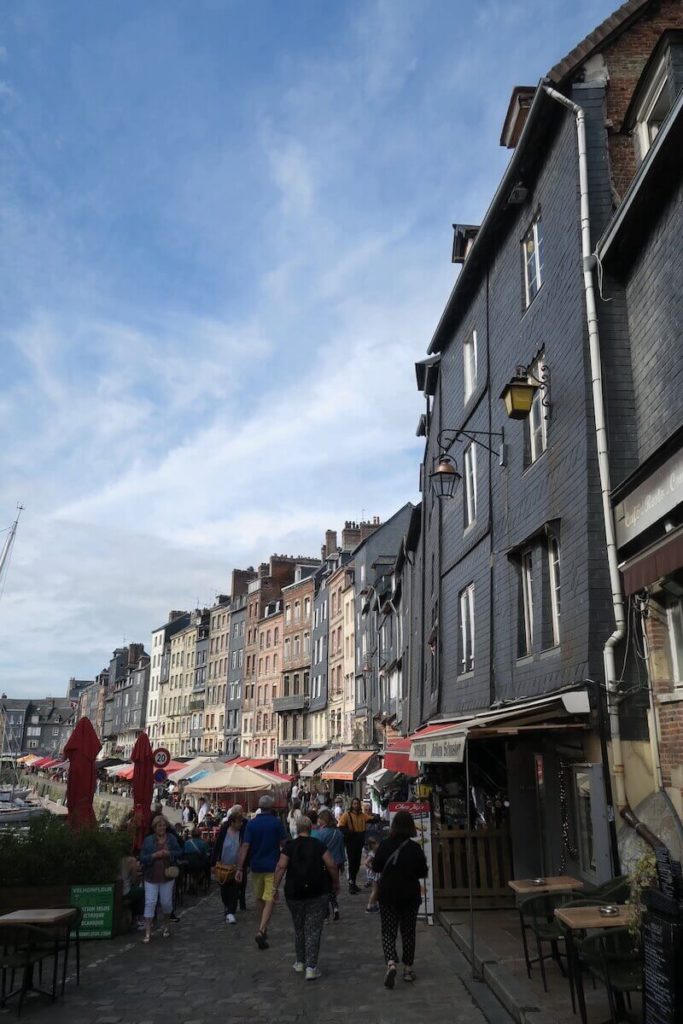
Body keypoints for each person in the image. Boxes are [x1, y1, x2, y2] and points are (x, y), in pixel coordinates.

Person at [273, 816, 339, 980]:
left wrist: (275, 887)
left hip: (294, 892)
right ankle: (311, 966)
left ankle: (300, 961)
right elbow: (331, 864)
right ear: (311, 828)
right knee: (313, 929)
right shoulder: (318, 845)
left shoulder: (290, 847)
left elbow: (281, 866)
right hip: (318, 891)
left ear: (296, 828)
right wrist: (336, 883)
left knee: (299, 927)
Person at [371, 810, 428, 988]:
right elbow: (422, 872)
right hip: (410, 895)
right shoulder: (415, 848)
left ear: (394, 826)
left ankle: (391, 963)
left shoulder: (385, 844)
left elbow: (377, 867)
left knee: (388, 930)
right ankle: (408, 969)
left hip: (388, 894)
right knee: (408, 931)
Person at [235, 794, 287, 949]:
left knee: (259, 897)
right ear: (271, 807)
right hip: (272, 865)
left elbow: (245, 846)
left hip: (256, 865)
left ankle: (263, 927)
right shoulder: (276, 823)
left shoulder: (251, 824)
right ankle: (261, 929)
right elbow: (284, 843)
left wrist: (240, 867)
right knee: (270, 897)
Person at [139, 815, 182, 944]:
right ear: (155, 827)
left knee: (166, 902)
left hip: (167, 876)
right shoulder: (148, 840)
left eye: (164, 825)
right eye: (159, 826)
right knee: (150, 902)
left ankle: (167, 925)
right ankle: (147, 932)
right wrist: (154, 855)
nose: (162, 828)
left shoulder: (171, 839)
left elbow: (180, 852)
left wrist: (170, 854)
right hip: (151, 876)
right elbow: (143, 858)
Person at [212, 806, 245, 923]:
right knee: (224, 890)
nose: (241, 824)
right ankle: (227, 907)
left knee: (235, 890)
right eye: (239, 822)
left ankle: (231, 912)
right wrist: (213, 863)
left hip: (236, 866)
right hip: (223, 865)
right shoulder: (224, 831)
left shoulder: (242, 833)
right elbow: (217, 847)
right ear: (232, 822)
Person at [337, 797, 376, 894]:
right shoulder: (347, 815)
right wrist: (348, 832)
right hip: (351, 841)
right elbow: (341, 826)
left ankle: (353, 883)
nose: (356, 805)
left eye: (357, 804)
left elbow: (371, 819)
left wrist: (378, 818)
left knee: (357, 864)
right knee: (352, 863)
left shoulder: (362, 815)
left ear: (359, 805)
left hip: (359, 841)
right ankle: (351, 884)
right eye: (354, 804)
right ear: (351, 805)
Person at [317, 809, 345, 921]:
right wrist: (342, 862)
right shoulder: (338, 832)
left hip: (324, 863)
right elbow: (341, 849)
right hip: (337, 862)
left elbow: (318, 850)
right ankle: (335, 907)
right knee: (333, 886)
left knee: (325, 888)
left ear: (323, 820)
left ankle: (326, 912)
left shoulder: (321, 833)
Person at [364, 836, 380, 914]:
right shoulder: (372, 853)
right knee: (375, 890)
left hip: (373, 874)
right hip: (373, 875)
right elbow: (366, 862)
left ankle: (374, 905)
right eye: (376, 843)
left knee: (376, 890)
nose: (378, 844)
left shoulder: (372, 851)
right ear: (373, 844)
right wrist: (372, 868)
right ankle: (369, 906)